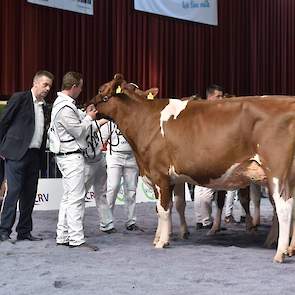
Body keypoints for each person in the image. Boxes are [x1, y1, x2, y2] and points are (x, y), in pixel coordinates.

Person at [0, 70, 54, 242]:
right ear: (35, 83)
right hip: (16, 153)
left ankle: (24, 232)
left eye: (50, 86)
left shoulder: (45, 106)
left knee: (30, 195)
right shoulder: (19, 98)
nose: (47, 89)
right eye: (45, 84)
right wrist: (2, 149)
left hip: (35, 156)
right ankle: (4, 231)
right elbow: (4, 122)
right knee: (13, 192)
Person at [49, 71, 98, 250]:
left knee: (68, 198)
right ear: (74, 87)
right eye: (81, 87)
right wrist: (88, 118)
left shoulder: (62, 104)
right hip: (71, 157)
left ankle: (62, 235)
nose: (81, 90)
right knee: (76, 198)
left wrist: (84, 115)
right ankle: (76, 239)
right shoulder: (65, 108)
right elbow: (79, 131)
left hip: (66, 156)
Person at [194, 84, 224, 229]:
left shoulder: (207, 110)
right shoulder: (204, 111)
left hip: (205, 151)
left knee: (202, 189)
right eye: (218, 96)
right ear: (210, 96)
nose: (221, 99)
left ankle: (201, 220)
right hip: (205, 152)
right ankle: (205, 221)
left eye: (222, 96)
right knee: (206, 189)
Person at [105, 117, 140, 231]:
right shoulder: (110, 122)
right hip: (115, 156)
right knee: (113, 188)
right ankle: (107, 222)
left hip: (132, 157)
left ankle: (131, 221)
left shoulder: (135, 121)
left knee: (131, 191)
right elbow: (101, 138)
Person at [83, 117, 115, 234]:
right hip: (86, 161)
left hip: (99, 159)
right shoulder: (83, 123)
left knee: (101, 193)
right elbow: (86, 129)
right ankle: (74, 227)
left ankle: (107, 224)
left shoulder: (95, 123)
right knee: (80, 195)